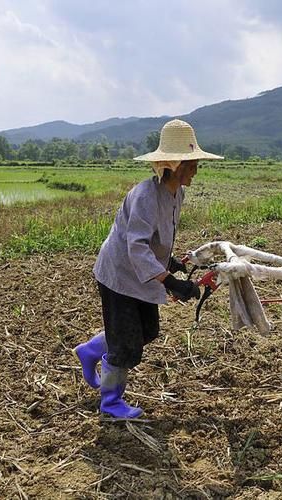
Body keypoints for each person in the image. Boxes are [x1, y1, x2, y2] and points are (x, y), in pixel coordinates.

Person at [73, 119, 223, 418]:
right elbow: (137, 246)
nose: (196, 170)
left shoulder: (177, 194)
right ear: (176, 164)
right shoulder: (144, 196)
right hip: (119, 274)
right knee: (127, 345)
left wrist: (172, 263)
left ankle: (90, 350)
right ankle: (111, 401)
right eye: (192, 163)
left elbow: (158, 238)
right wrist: (171, 282)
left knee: (148, 330)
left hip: (141, 272)